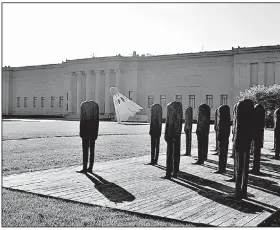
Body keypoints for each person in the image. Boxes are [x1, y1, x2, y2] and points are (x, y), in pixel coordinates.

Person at [77, 100, 99, 174]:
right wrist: (96, 133)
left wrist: (81, 132)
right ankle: (89, 168)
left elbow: (82, 120)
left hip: (85, 131)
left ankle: (85, 167)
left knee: (85, 150)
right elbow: (96, 121)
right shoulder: (95, 106)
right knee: (91, 150)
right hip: (92, 131)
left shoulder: (83, 105)